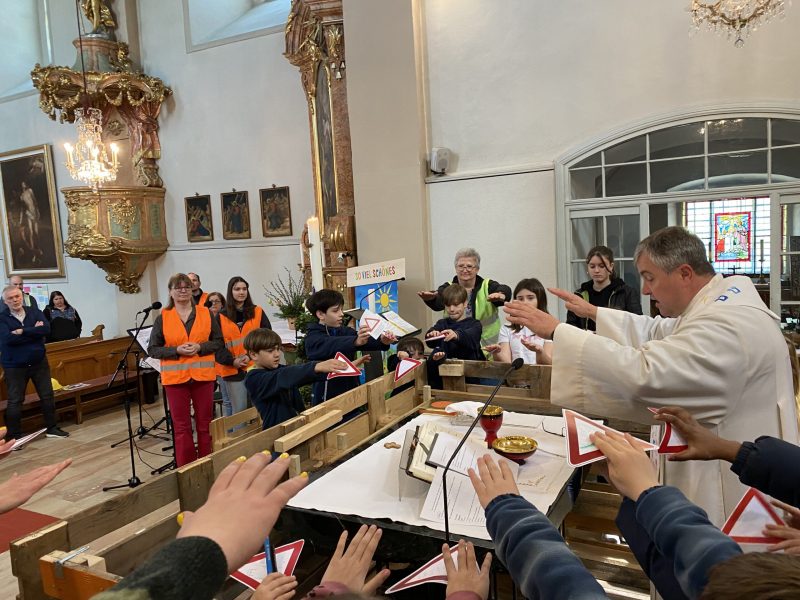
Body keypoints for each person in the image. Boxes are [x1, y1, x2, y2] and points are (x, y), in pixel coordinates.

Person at [503, 226, 799, 525]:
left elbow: (647, 375)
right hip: (723, 457)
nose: (645, 290)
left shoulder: (727, 325)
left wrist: (557, 332)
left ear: (684, 274)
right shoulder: (715, 306)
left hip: (730, 488)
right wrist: (594, 312)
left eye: (650, 277)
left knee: (718, 560)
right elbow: (655, 331)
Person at [148, 273, 223, 467]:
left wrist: (200, 348)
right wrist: (176, 350)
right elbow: (153, 349)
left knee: (205, 423)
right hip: (175, 379)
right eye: (178, 287)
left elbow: (218, 342)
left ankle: (207, 464)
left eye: (187, 287)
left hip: (203, 377)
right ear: (171, 292)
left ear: (192, 290)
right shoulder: (163, 317)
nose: (183, 290)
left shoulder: (205, 313)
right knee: (181, 427)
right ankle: (186, 469)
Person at [0, 285, 70, 441]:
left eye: (17, 296)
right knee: (16, 400)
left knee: (47, 395)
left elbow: (46, 329)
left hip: (38, 362)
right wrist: (33, 332)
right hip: (15, 365)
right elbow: (6, 339)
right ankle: (14, 437)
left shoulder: (34, 312)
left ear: (22, 297)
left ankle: (52, 428)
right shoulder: (2, 318)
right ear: (5, 301)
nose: (15, 300)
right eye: (10, 298)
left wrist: (23, 331)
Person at [243, 328, 349, 430]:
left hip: (298, 428)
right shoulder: (253, 379)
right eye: (270, 351)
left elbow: (301, 376)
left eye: (278, 349)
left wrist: (341, 368)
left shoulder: (280, 370)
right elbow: (282, 377)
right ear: (253, 354)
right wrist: (316, 366)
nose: (277, 354)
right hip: (277, 436)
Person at [304, 289, 395, 405]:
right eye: (336, 311)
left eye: (341, 309)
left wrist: (383, 341)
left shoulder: (344, 331)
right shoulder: (313, 336)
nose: (341, 314)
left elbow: (363, 340)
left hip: (351, 388)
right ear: (320, 314)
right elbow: (330, 344)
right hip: (327, 395)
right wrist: (355, 341)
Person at [418, 248, 511, 350]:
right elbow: (438, 302)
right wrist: (431, 299)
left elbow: (503, 289)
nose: (465, 270)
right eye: (461, 266)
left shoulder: (487, 285)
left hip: (486, 348)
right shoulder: (448, 287)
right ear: (456, 268)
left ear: (477, 269)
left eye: (469, 266)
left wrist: (501, 294)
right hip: (456, 347)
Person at [216, 277, 272, 417]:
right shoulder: (221, 316)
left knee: (260, 409)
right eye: (237, 289)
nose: (241, 292)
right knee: (240, 413)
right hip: (233, 369)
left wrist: (249, 356)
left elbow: (268, 337)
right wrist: (233, 361)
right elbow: (217, 346)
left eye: (244, 289)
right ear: (230, 292)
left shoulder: (257, 312)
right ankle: (239, 439)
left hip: (257, 366)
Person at [567, 245, 642, 331]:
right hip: (587, 342)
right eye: (592, 266)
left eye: (601, 266)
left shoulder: (626, 292)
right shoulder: (579, 294)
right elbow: (571, 326)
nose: (596, 270)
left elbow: (637, 324)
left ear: (611, 266)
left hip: (617, 343)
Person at [425, 284, 484, 390]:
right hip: (443, 380)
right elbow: (430, 342)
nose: (451, 309)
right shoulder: (442, 323)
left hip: (469, 380)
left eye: (456, 305)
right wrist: (431, 334)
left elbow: (471, 338)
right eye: (448, 305)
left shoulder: (474, 324)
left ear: (465, 303)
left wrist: (456, 335)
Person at [484, 278, 549, 364]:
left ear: (540, 300)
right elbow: (506, 363)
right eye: (520, 299)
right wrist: (496, 353)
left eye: (530, 298)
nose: (525, 302)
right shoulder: (507, 328)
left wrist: (540, 352)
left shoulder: (548, 327)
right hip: (515, 376)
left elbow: (550, 363)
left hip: (542, 376)